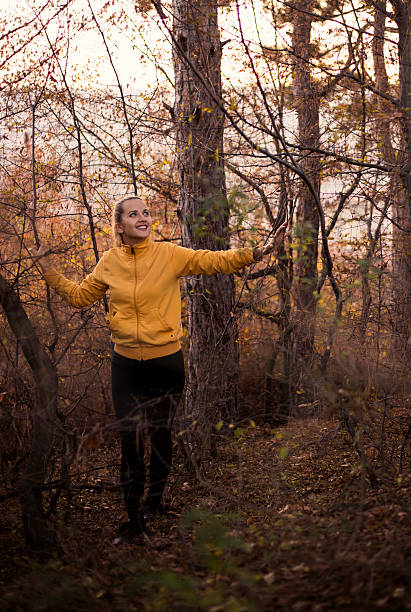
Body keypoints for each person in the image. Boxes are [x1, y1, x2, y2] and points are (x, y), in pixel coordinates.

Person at [34, 195, 286, 540]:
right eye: (133, 214)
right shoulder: (109, 262)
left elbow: (214, 261)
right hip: (125, 364)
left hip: (165, 362)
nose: (142, 218)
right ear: (119, 224)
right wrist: (48, 272)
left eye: (145, 213)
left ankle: (155, 502)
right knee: (129, 440)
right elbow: (79, 296)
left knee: (160, 434)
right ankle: (134, 519)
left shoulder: (168, 255)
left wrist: (258, 252)